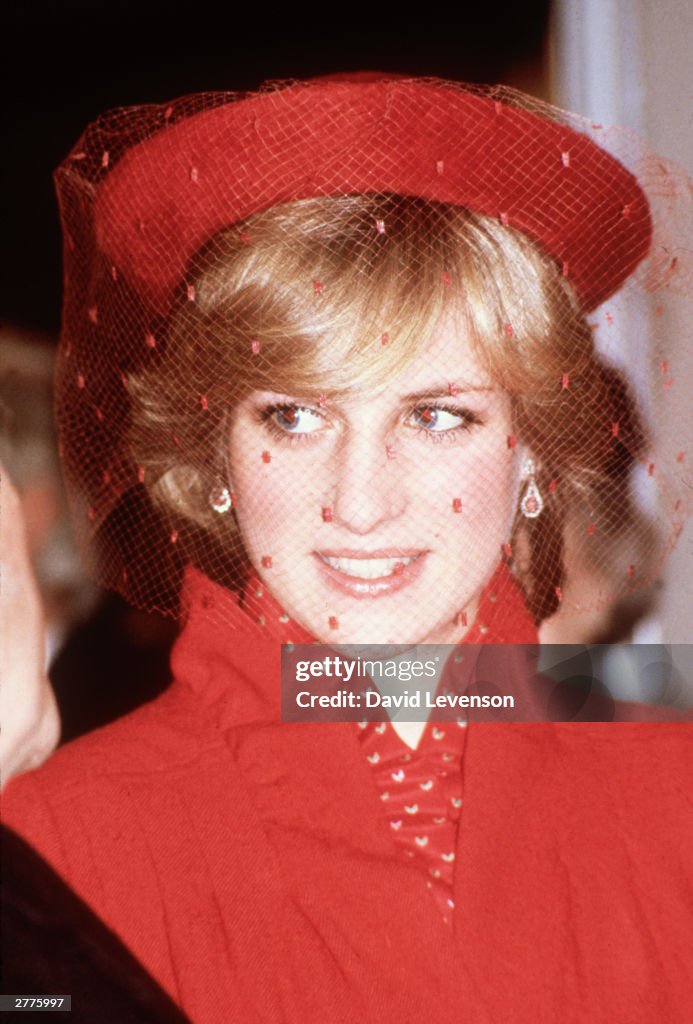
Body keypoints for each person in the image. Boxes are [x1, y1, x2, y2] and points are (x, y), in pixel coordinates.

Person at [2, 75, 691, 1022]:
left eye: (437, 415)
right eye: (294, 417)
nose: (359, 504)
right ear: (215, 460)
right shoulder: (58, 842)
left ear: (530, 454)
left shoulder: (674, 788)